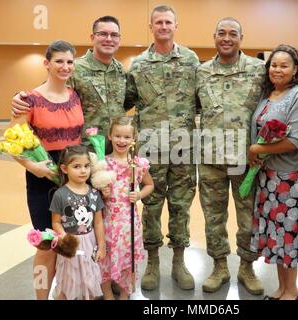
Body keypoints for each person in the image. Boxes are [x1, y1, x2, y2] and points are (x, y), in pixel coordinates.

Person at [124, 5, 199, 291]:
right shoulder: (140, 64)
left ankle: (179, 261)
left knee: (181, 206)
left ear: (175, 25)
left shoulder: (191, 60)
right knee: (150, 205)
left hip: (182, 149)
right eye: (158, 22)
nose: (163, 26)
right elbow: (126, 101)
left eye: (168, 21)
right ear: (151, 26)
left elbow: (202, 100)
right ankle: (152, 261)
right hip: (150, 151)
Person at [8, 40, 83, 299]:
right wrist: (31, 166)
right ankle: (42, 297)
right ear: (47, 63)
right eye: (59, 61)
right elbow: (12, 141)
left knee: (70, 241)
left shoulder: (75, 96)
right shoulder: (29, 100)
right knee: (45, 244)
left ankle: (66, 293)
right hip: (42, 179)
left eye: (69, 61)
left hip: (73, 179)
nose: (65, 66)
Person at [196, 17, 265, 294]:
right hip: (211, 158)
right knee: (213, 216)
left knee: (248, 216)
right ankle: (220, 266)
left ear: (241, 37)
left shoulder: (258, 69)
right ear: (214, 37)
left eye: (232, 33)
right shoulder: (200, 72)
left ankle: (247, 267)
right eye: (221, 33)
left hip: (246, 160)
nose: (227, 38)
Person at [248, 45, 298, 300]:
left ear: (295, 69)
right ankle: (282, 288)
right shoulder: (269, 95)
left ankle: (292, 291)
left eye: (283, 65)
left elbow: (296, 141)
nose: (277, 70)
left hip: (290, 180)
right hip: (268, 178)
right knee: (276, 235)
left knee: (288, 235)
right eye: (273, 65)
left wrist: (257, 147)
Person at [11, 16, 127, 136]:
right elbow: (47, 94)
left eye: (114, 35)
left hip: (116, 147)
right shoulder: (74, 68)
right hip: (83, 149)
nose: (109, 39)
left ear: (119, 39)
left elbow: (125, 103)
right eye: (103, 34)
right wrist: (20, 97)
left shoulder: (120, 70)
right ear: (92, 37)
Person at [99, 116, 154, 300]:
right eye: (117, 136)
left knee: (128, 260)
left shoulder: (137, 164)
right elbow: (93, 193)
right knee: (104, 259)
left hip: (129, 224)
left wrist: (139, 194)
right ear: (110, 136)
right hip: (107, 222)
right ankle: (107, 293)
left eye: (126, 137)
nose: (122, 141)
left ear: (133, 140)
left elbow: (149, 185)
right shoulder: (103, 164)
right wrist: (102, 192)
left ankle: (124, 294)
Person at [51, 144, 106, 300]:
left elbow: (98, 222)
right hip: (70, 244)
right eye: (76, 166)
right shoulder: (60, 195)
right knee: (68, 277)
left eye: (87, 166)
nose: (83, 170)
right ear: (64, 169)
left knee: (90, 276)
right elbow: (55, 222)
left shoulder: (94, 193)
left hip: (89, 241)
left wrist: (101, 245)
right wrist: (65, 238)